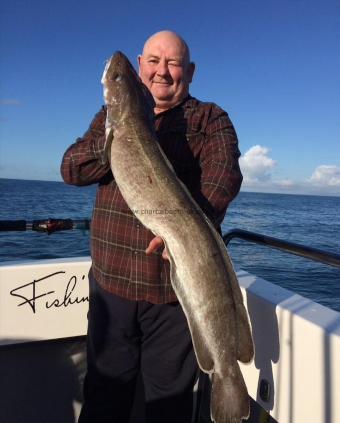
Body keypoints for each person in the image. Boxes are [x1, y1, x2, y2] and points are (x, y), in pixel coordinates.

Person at [61, 30, 243, 423]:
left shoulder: (210, 119)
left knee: (169, 405)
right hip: (112, 287)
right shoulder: (107, 119)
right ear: (141, 68)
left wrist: (191, 226)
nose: (163, 72)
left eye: (173, 63)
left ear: (189, 72)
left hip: (173, 297)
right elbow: (71, 169)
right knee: (104, 397)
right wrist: (116, 130)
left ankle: (229, 380)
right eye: (154, 62)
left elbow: (223, 176)